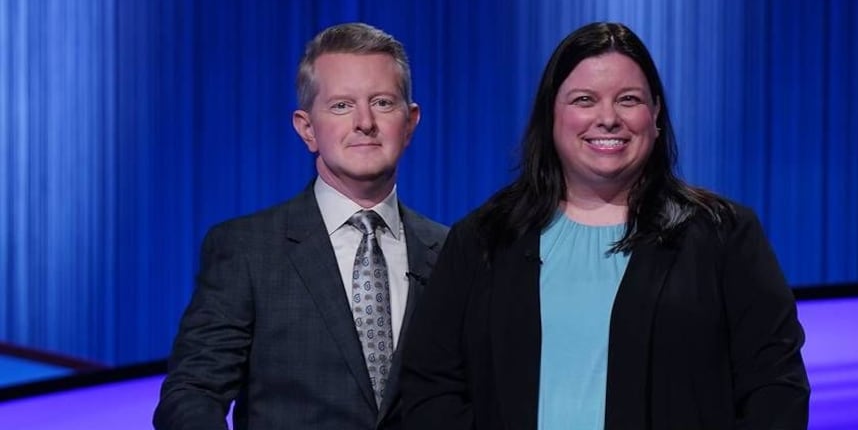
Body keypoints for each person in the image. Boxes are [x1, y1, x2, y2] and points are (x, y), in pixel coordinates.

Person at [401, 22, 809, 429]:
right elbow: (431, 388)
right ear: (551, 114)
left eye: (628, 99)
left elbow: (775, 389)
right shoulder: (484, 238)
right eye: (584, 99)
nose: (608, 118)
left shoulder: (724, 236)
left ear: (656, 114)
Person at [154, 23, 448, 430]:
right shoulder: (246, 249)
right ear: (307, 128)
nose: (365, 122)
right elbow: (193, 393)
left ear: (410, 121)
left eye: (382, 102)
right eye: (342, 106)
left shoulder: (451, 252)